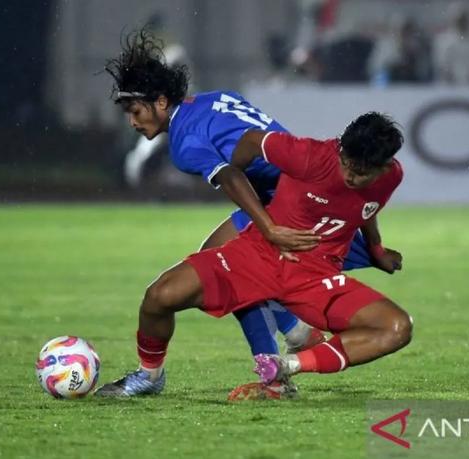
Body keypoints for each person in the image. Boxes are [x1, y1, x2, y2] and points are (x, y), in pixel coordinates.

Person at [101, 28, 383, 399]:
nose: (133, 122)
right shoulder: (217, 99)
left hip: (294, 207)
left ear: (161, 101)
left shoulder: (184, 143)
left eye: (136, 111)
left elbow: (232, 174)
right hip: (297, 195)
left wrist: (268, 229)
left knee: (220, 275)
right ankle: (294, 333)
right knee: (219, 261)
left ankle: (270, 374)